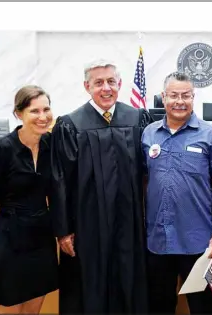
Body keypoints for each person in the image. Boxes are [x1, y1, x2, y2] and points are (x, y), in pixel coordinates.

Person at [50, 60, 152, 314]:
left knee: (129, 277)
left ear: (119, 84)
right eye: (98, 83)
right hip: (88, 227)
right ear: (87, 86)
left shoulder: (138, 119)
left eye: (111, 82)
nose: (106, 88)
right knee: (89, 284)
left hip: (130, 224)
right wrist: (63, 231)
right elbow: (59, 180)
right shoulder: (70, 125)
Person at [141, 72, 212, 314]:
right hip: (157, 242)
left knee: (204, 308)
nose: (179, 101)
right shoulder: (148, 134)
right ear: (163, 97)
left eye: (186, 95)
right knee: (159, 307)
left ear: (194, 97)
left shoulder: (211, 135)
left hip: (202, 244)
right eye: (173, 95)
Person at [0, 85, 58, 314]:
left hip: (41, 240)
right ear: (18, 114)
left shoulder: (51, 145)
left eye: (46, 109)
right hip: (9, 241)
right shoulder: (0, 150)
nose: (43, 117)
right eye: (34, 111)